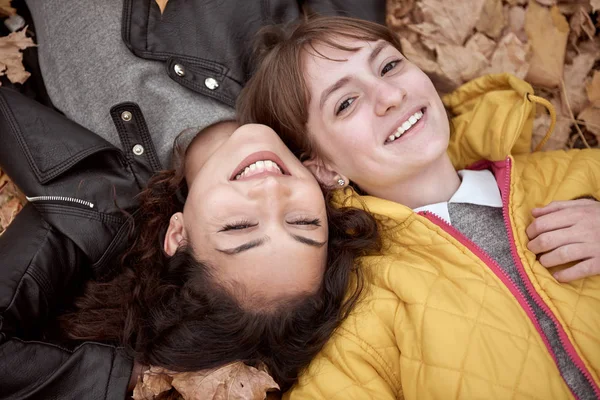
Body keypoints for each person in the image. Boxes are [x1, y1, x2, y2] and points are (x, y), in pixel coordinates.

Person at [237, 16, 600, 399]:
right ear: (324, 168)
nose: (390, 95)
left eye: (389, 66)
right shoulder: (365, 317)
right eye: (346, 103)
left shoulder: (571, 174)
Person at [0, 88, 380, 398]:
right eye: (302, 221)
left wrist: (143, 376)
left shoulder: (92, 203)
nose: (270, 192)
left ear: (178, 234)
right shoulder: (306, 86)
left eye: (238, 227)